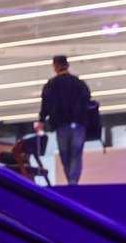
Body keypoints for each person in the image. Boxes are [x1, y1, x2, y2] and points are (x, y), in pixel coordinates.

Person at [38, 54, 95, 185]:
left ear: (55, 67)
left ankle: (71, 179)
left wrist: (41, 120)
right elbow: (87, 101)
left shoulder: (51, 85)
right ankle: (73, 181)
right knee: (76, 153)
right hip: (78, 123)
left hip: (61, 124)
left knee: (65, 154)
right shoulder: (79, 83)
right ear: (67, 65)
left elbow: (45, 104)